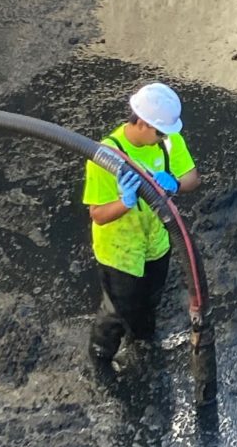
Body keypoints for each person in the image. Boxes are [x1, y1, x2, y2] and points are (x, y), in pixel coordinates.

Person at [84, 82, 200, 366]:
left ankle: (143, 342)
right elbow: (97, 214)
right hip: (120, 253)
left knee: (149, 301)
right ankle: (101, 356)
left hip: (156, 245)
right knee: (116, 311)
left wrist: (173, 183)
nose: (164, 138)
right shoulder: (106, 155)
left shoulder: (169, 140)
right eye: (160, 132)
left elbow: (193, 178)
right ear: (144, 123)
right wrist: (125, 201)